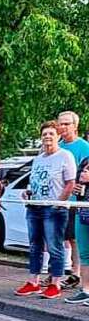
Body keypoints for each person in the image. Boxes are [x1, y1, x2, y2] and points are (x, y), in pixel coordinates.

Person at [15, 121, 76, 300]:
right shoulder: (39, 158)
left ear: (58, 136)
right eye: (44, 134)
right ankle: (33, 281)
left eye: (51, 133)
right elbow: (35, 181)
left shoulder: (65, 156)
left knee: (54, 245)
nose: (47, 137)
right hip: (35, 207)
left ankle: (55, 283)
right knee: (35, 245)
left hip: (54, 208)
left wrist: (59, 202)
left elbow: (70, 183)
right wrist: (28, 191)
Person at [57, 110, 89, 290]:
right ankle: (58, 273)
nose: (62, 127)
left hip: (75, 201)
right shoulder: (57, 145)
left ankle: (76, 274)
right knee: (57, 237)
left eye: (66, 124)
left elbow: (84, 172)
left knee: (75, 238)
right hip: (56, 199)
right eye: (60, 123)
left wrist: (78, 185)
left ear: (75, 126)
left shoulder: (84, 147)